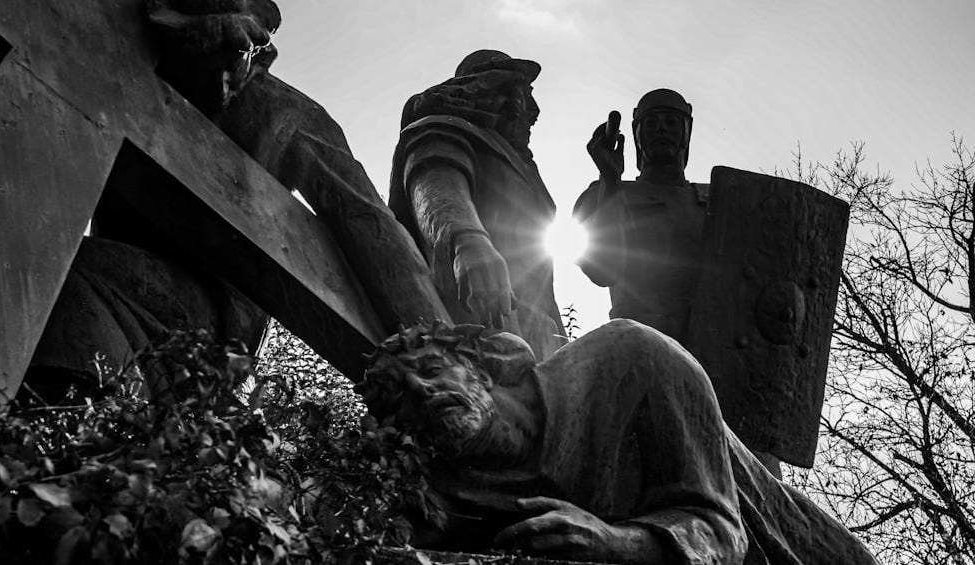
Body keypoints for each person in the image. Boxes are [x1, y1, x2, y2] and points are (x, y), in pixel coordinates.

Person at [0, 0, 450, 398]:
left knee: (62, 286)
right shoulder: (105, 58)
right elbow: (17, 165)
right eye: (200, 53)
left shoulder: (291, 118)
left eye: (240, 56)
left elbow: (373, 230)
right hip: (118, 280)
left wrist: (450, 356)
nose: (225, 82)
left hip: (213, 318)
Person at [359, 320, 881, 565]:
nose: (423, 393)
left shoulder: (632, 358)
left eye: (431, 368)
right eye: (401, 400)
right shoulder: (446, 489)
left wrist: (612, 542)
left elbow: (722, 536)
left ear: (486, 368)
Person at [388, 50, 565, 361]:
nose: (534, 111)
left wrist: (561, 338)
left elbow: (543, 276)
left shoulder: (524, 167)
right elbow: (436, 188)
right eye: (527, 95)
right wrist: (469, 243)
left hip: (537, 329)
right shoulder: (444, 128)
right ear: (498, 93)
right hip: (477, 311)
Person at [573, 88, 707, 344]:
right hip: (636, 347)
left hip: (706, 352)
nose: (661, 130)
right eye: (651, 123)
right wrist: (610, 182)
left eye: (671, 122)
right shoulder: (600, 195)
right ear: (636, 136)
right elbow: (601, 270)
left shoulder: (716, 203)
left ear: (686, 134)